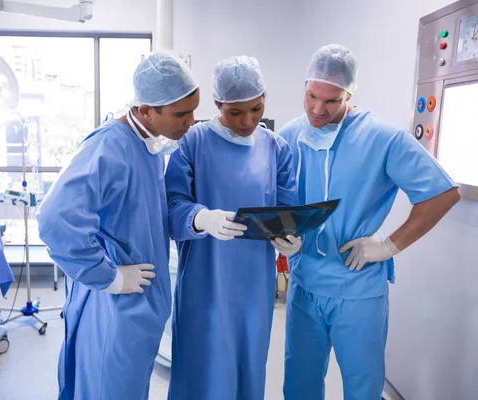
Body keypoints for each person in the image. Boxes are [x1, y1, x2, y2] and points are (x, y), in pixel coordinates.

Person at [277, 44, 461, 400]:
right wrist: (279, 233)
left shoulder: (381, 137)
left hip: (357, 289)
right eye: (311, 96)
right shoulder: (289, 136)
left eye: (331, 101)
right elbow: (273, 199)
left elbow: (443, 193)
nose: (317, 109)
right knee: (299, 384)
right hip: (305, 285)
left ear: (350, 93)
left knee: (362, 386)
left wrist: (390, 245)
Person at [37, 51, 200, 400]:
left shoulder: (148, 147)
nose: (191, 122)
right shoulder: (110, 146)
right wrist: (107, 276)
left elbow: (145, 216)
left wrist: (200, 220)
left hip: (137, 305)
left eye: (193, 110)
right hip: (115, 305)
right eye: (181, 114)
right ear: (145, 110)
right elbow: (56, 218)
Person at [165, 55, 300, 400]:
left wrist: (289, 234)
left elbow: (286, 206)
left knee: (248, 362)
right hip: (204, 280)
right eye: (235, 112)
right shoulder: (192, 142)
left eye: (256, 109)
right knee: (203, 363)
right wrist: (201, 218)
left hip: (254, 281)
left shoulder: (275, 147)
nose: (248, 120)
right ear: (216, 104)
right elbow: (172, 204)